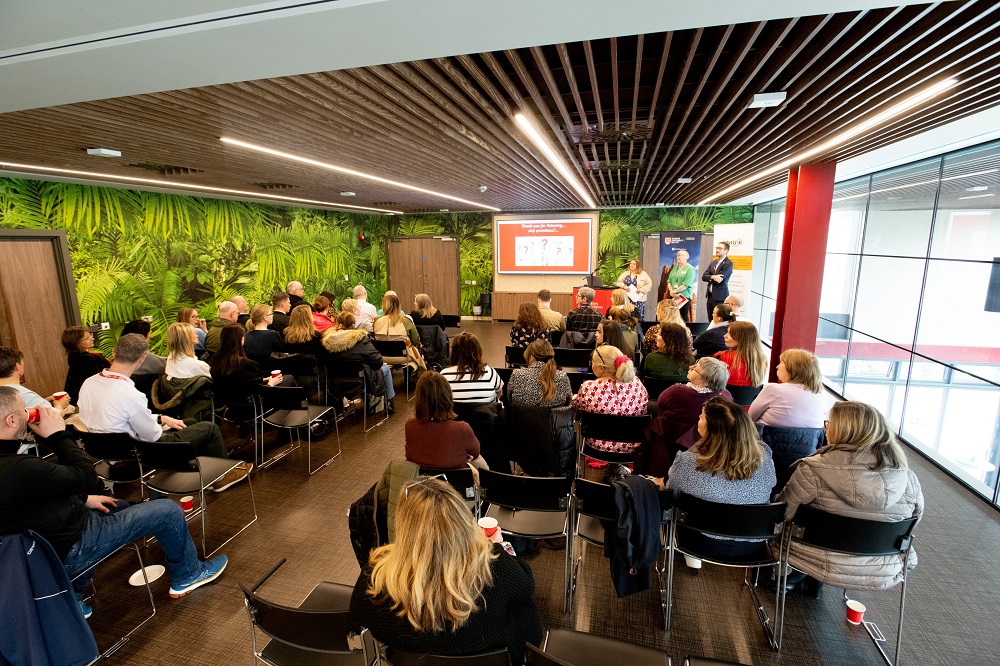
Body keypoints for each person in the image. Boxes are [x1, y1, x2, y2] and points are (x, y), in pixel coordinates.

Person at [0, 387, 229, 613]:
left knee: (117, 506)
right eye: (23, 411)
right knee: (167, 511)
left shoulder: (13, 466)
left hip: (39, 550)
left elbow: (30, 494)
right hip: (71, 548)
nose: (28, 413)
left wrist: (83, 498)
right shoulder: (18, 467)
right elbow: (88, 477)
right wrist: (58, 436)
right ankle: (189, 574)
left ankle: (71, 599)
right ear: (11, 420)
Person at [349, 477, 542, 664]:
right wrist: (495, 548)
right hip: (494, 655)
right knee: (524, 608)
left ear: (404, 530)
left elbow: (356, 620)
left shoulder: (373, 579)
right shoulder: (496, 566)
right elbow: (527, 585)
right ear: (463, 523)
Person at [778, 401, 923, 593]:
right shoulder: (908, 480)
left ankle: (795, 578)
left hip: (811, 555)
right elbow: (912, 522)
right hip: (881, 565)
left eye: (828, 424)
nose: (825, 428)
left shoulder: (813, 469)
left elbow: (783, 512)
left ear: (842, 432)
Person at [78, 334, 249, 491]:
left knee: (188, 423)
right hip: (139, 456)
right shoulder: (130, 394)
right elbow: (152, 436)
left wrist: (160, 418)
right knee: (210, 428)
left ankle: (207, 471)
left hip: (106, 452)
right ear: (142, 358)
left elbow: (106, 416)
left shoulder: (89, 383)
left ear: (115, 352)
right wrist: (158, 425)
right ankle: (222, 476)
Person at [666, 397, 776, 568]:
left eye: (702, 417)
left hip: (701, 543)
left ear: (712, 430)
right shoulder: (765, 457)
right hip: (753, 545)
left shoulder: (687, 462)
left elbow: (671, 494)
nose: (698, 420)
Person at [638, 357, 733, 478]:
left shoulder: (677, 392)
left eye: (695, 369)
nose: (690, 367)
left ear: (704, 382)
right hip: (706, 447)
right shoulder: (725, 397)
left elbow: (661, 402)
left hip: (670, 440)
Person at [572, 345, 648, 456]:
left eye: (592, 362)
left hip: (597, 447)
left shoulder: (588, 387)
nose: (591, 364)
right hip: (631, 447)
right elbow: (643, 409)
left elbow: (578, 407)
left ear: (601, 368)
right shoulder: (637, 384)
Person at [404, 372, 485, 469]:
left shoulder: (410, 426)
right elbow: (475, 453)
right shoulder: (462, 429)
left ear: (419, 399)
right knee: (480, 463)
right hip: (456, 482)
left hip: (421, 481)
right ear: (448, 397)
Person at [323, 312, 395, 414]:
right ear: (353, 325)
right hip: (361, 380)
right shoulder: (361, 339)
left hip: (335, 381)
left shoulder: (326, 342)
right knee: (385, 369)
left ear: (338, 324)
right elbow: (378, 361)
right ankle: (390, 402)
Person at [209, 324, 284, 410]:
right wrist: (271, 384)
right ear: (241, 339)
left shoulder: (215, 361)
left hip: (226, 407)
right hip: (250, 408)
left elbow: (236, 382)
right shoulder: (247, 364)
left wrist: (265, 379)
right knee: (288, 379)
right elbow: (257, 393)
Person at [749, 349, 828, 428]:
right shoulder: (821, 396)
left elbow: (749, 419)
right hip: (807, 440)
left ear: (793, 368)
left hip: (765, 439)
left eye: (781, 363)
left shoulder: (772, 389)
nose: (777, 366)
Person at [0, 346, 72, 421]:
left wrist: (44, 401)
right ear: (17, 366)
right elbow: (53, 415)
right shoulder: (20, 393)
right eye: (22, 363)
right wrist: (59, 405)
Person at [507, 338, 572, 408]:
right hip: (553, 419)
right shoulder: (562, 377)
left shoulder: (517, 375)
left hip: (522, 418)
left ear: (532, 355)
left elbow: (510, 400)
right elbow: (567, 403)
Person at [441, 333, 502, 404]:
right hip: (486, 414)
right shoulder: (489, 372)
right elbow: (500, 393)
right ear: (477, 351)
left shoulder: (444, 375)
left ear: (454, 352)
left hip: (456, 414)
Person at [62, 326, 110, 404]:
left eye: (90, 336)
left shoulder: (76, 355)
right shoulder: (85, 359)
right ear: (75, 343)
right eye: (87, 338)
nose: (92, 339)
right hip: (93, 398)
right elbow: (97, 380)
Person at [714, 321, 767, 387]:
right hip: (752, 397)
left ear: (741, 339)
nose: (725, 336)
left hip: (725, 396)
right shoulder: (762, 360)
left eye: (730, 334)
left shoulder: (721, 357)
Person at [244, 304, 285, 368]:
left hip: (254, 371)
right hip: (271, 371)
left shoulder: (246, 335)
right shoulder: (273, 334)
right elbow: (281, 354)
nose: (272, 316)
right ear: (265, 318)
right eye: (271, 314)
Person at [701, 241, 734, 321]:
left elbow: (718, 280)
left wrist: (711, 277)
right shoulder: (713, 262)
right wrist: (713, 276)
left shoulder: (728, 263)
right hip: (710, 296)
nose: (717, 250)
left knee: (719, 320)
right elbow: (704, 277)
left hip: (720, 297)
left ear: (726, 251)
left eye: (720, 248)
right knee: (710, 320)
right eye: (717, 248)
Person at [666, 250, 696, 321]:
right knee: (673, 315)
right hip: (673, 295)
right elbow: (669, 280)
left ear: (686, 257)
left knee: (683, 316)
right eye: (677, 255)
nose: (678, 257)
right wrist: (671, 291)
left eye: (680, 255)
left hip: (684, 296)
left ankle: (685, 331)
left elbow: (686, 284)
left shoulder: (690, 269)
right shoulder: (675, 268)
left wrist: (675, 291)